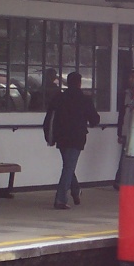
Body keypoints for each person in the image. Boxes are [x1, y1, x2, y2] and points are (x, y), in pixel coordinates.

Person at [44, 71, 99, 209]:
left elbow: (49, 117)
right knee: (69, 167)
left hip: (61, 137)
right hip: (77, 138)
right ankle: (60, 199)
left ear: (68, 83)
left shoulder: (59, 98)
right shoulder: (85, 99)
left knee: (68, 166)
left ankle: (75, 191)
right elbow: (94, 120)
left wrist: (49, 136)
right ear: (80, 83)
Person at [113, 69, 134, 189]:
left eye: (133, 77)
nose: (131, 79)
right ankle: (119, 181)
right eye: (130, 77)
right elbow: (122, 114)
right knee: (124, 157)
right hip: (127, 130)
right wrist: (120, 132)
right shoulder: (125, 95)